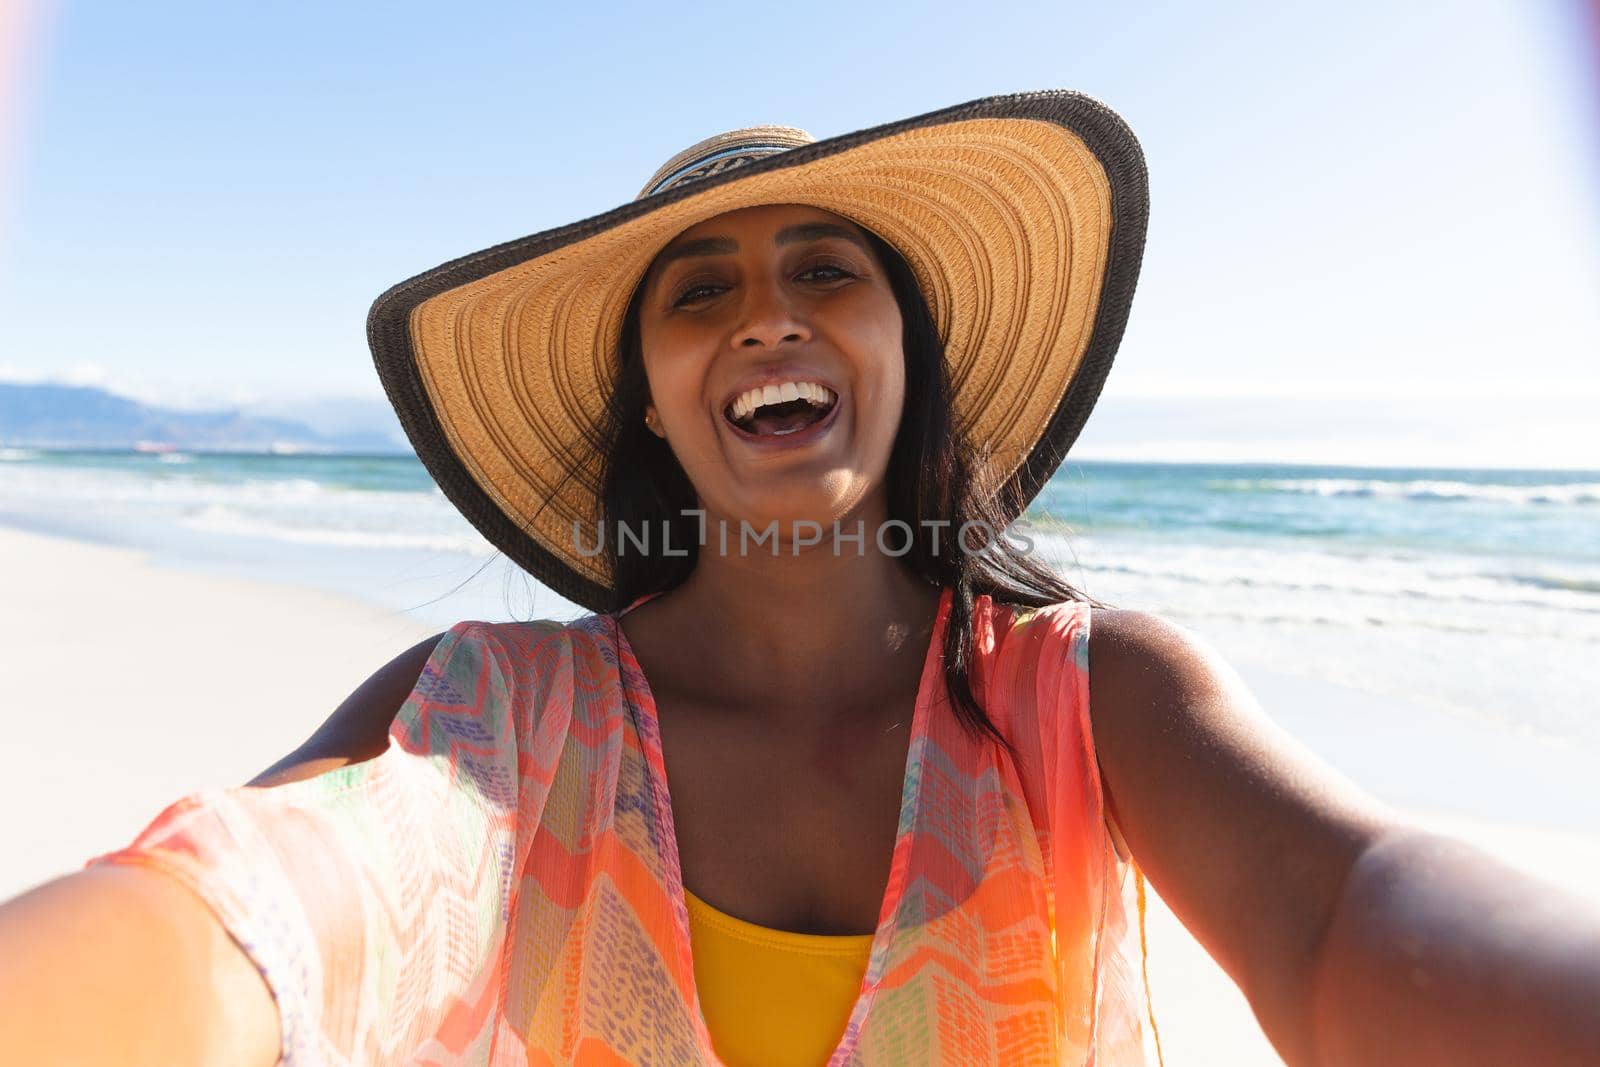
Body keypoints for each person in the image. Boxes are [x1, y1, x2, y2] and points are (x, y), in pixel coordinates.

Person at [2, 91, 1597, 1067]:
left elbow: (1343, 922)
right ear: (649, 394)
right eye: (703, 291)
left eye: (827, 271)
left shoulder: (1093, 704)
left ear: (906, 351)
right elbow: (242, 918)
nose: (770, 316)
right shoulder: (493, 718)